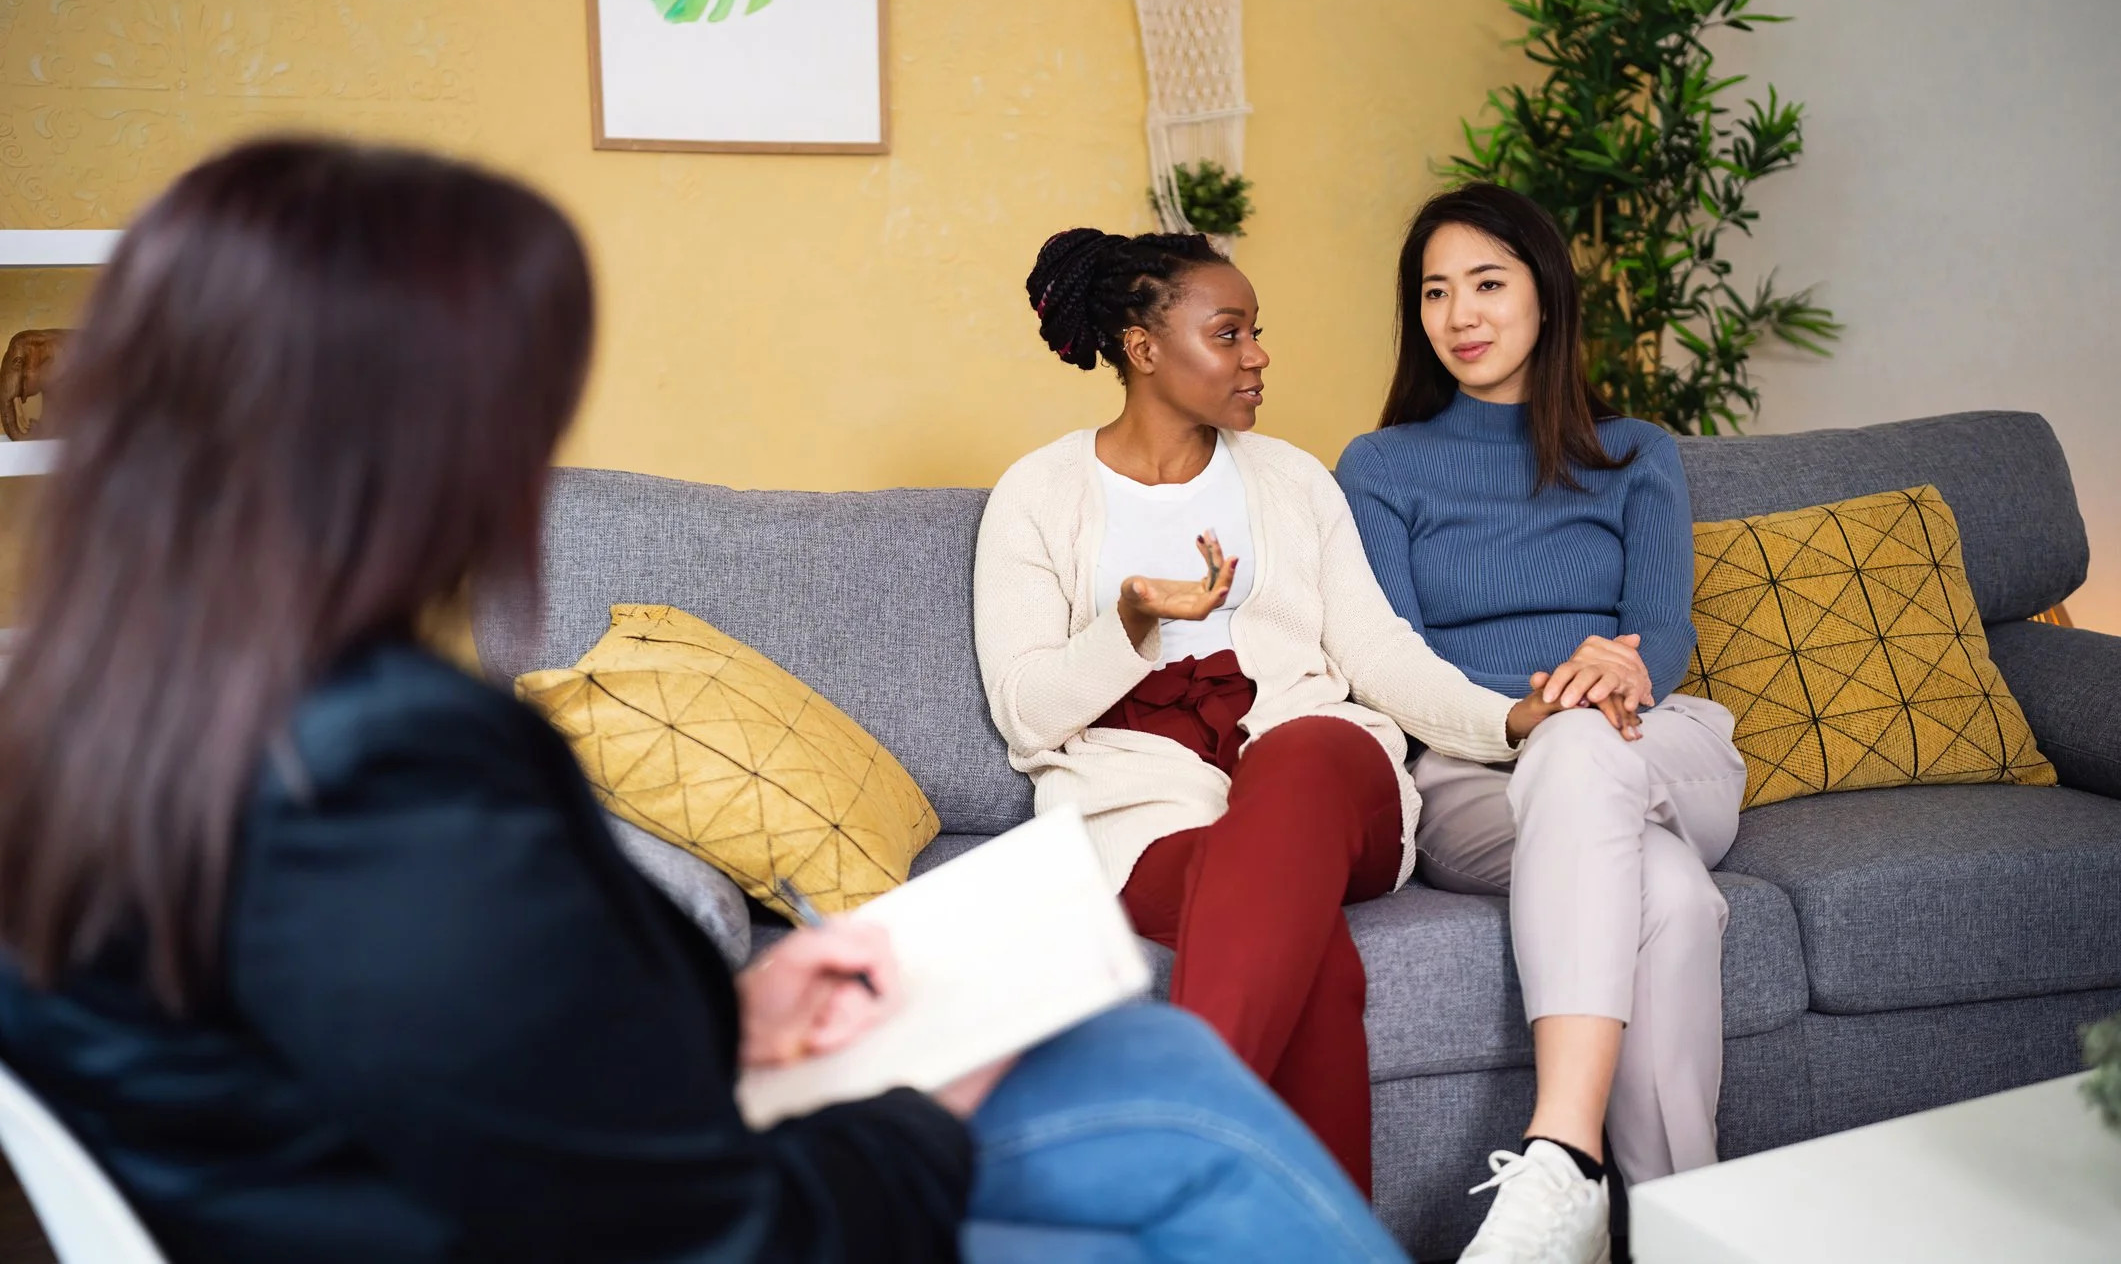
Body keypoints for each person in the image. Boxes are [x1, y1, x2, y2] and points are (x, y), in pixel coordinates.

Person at [0, 140, 1409, 1264]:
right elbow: (716, 1224)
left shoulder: (120, 730)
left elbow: (474, 1057)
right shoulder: (383, 779)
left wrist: (736, 1020)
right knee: (1170, 1106)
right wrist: (928, 1100)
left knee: (1163, 1096)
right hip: (724, 1214)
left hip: (596, 1168)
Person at [972, 228, 1636, 1199]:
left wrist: (1512, 718)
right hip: (1144, 819)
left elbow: (1377, 655)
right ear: (1145, 348)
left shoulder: (1292, 481)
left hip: (1330, 786)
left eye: (1257, 331)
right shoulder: (1038, 495)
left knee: (1303, 752)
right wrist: (1131, 620)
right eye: (1229, 332)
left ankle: (1181, 1142)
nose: (1258, 355)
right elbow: (1028, 714)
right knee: (1307, 958)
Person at [1337, 182, 1748, 1264]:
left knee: (1591, 754)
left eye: (1487, 282)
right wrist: (1534, 713)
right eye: (1434, 291)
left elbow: (1662, 631)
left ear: (1546, 297)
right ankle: (1681, 1236)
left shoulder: (1636, 452)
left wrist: (1617, 668)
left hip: (1657, 744)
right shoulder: (1379, 469)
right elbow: (1395, 665)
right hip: (1481, 773)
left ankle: (1561, 1160)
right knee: (1669, 898)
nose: (1460, 313)